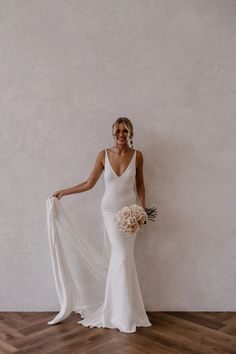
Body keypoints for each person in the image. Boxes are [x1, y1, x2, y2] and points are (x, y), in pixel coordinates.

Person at [46, 117, 152, 333]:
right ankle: (119, 314)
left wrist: (142, 210)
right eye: (118, 131)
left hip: (131, 214)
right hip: (110, 212)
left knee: (124, 259)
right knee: (121, 256)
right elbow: (89, 183)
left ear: (130, 133)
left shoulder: (138, 156)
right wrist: (64, 192)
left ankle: (125, 311)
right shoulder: (103, 155)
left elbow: (140, 186)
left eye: (125, 131)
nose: (121, 135)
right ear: (113, 133)